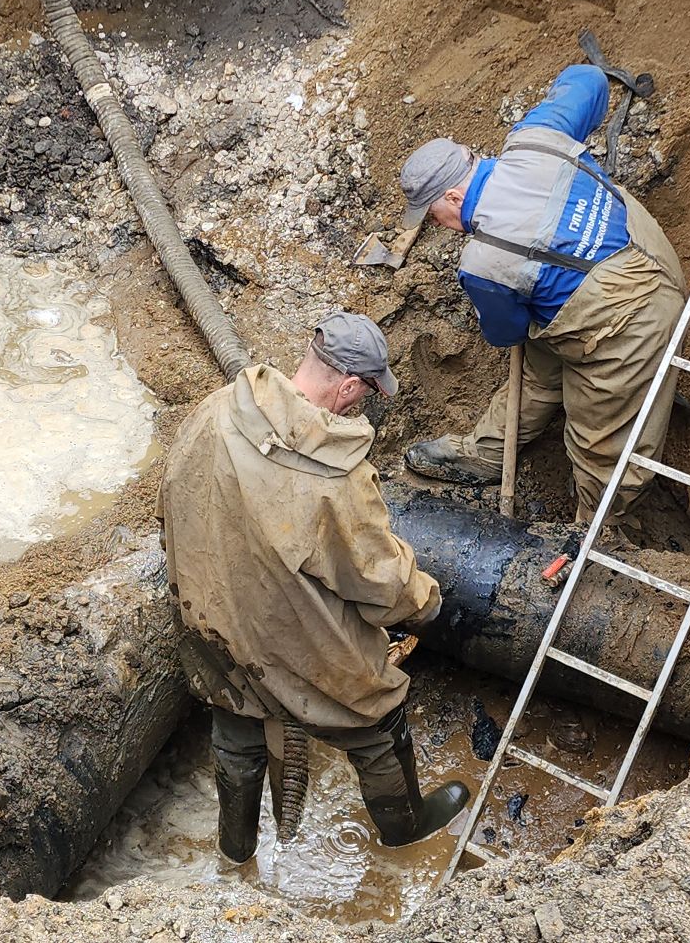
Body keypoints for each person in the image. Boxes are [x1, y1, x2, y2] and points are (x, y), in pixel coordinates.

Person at [159, 312, 469, 864]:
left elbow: (170, 503)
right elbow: (379, 580)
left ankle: (236, 849)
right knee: (376, 716)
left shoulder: (217, 409)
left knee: (236, 722)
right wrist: (425, 602)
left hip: (213, 619)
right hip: (292, 638)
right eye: (367, 391)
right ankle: (406, 828)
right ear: (347, 386)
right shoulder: (338, 479)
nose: (364, 402)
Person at [396, 63, 686, 523]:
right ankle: (490, 452)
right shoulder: (536, 137)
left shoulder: (484, 263)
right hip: (645, 246)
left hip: (633, 322)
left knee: (601, 444)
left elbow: (505, 333)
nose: (438, 226)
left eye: (433, 216)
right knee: (540, 362)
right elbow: (589, 80)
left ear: (453, 197)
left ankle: (595, 528)